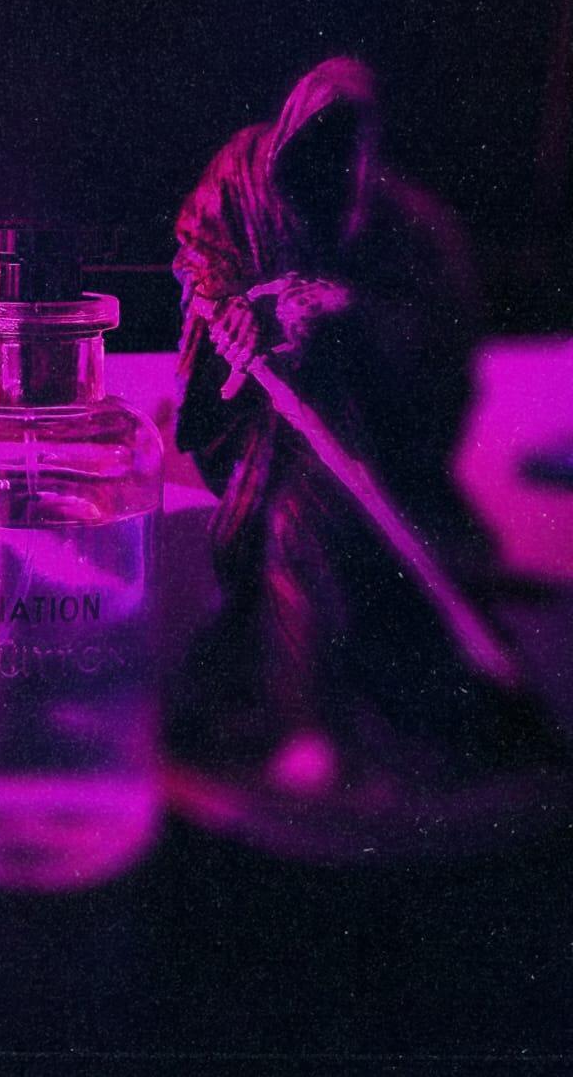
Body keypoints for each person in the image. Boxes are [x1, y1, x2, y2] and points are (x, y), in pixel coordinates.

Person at [171, 57, 547, 799]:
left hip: (351, 421)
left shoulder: (396, 221)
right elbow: (201, 247)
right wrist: (240, 308)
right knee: (258, 536)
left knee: (304, 534)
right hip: (269, 417)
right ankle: (284, 712)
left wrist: (344, 310)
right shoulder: (243, 173)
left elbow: (428, 331)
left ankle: (310, 721)